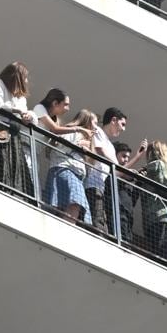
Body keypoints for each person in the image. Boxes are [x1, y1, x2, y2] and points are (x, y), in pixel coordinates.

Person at [84, 107, 146, 235]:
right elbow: (99, 150)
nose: (123, 129)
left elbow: (117, 172)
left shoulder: (111, 148)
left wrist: (137, 157)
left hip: (100, 189)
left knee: (101, 225)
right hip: (91, 185)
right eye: (122, 124)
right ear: (113, 120)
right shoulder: (98, 131)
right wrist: (117, 165)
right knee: (97, 225)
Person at [34, 89, 93, 221]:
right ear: (55, 103)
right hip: (62, 167)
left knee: (72, 205)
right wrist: (78, 132)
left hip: (37, 154)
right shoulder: (40, 109)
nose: (68, 108)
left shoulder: (56, 120)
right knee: (73, 203)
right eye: (66, 104)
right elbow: (55, 133)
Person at [140, 140, 167, 264]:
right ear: (161, 152)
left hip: (149, 218)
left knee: (156, 250)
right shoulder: (159, 165)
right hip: (162, 215)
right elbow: (166, 186)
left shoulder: (147, 171)